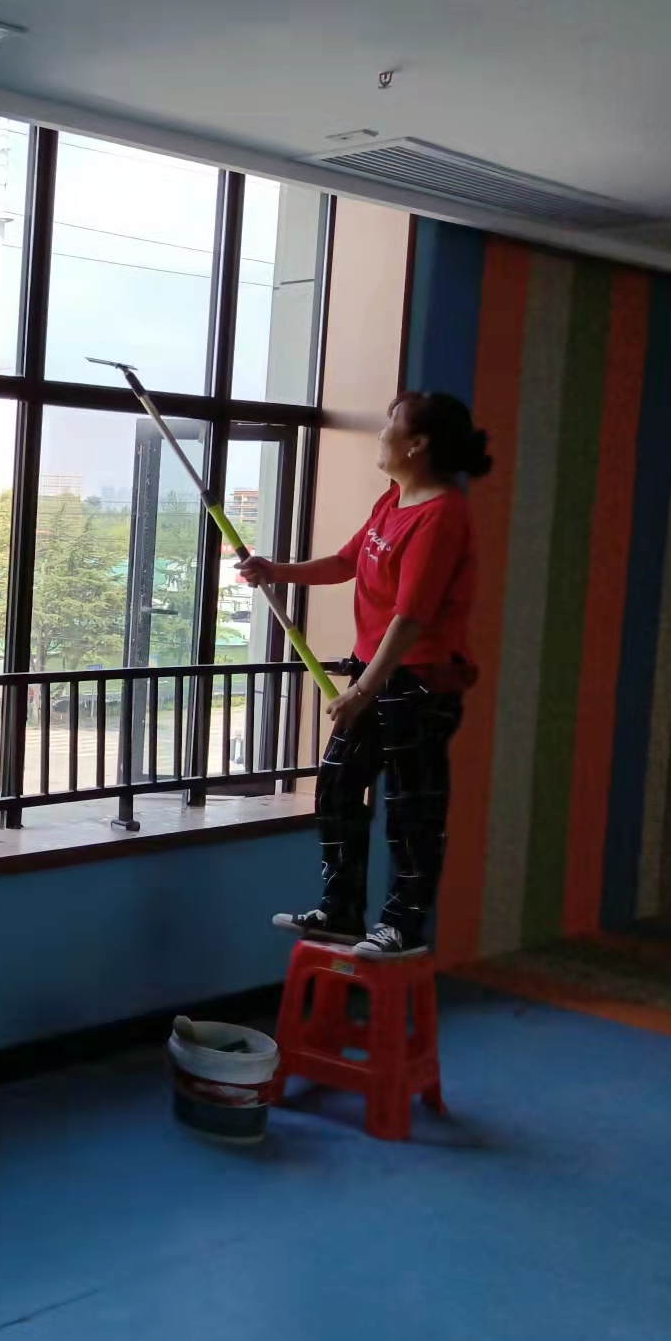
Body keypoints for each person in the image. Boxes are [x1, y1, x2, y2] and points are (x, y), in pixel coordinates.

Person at [239, 391, 493, 957]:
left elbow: (410, 619)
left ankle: (402, 925)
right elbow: (345, 562)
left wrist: (361, 690)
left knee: (411, 808)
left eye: (390, 425)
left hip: (420, 683)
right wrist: (274, 571)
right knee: (335, 785)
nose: (381, 434)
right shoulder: (393, 499)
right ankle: (342, 909)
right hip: (374, 673)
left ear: (417, 443)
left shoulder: (441, 516)